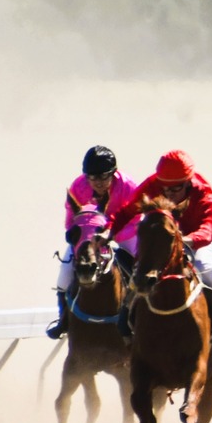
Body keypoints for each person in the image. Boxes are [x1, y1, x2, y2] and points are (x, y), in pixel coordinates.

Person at [101, 149, 212, 343]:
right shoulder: (154, 184)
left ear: (188, 183)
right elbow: (127, 211)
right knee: (143, 265)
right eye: (164, 188)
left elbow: (207, 230)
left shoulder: (205, 195)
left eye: (175, 189)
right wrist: (109, 231)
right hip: (163, 236)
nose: (168, 193)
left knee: (204, 265)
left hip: (196, 238)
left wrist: (186, 240)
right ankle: (126, 312)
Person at [46, 145, 137, 340]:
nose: (98, 183)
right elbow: (70, 221)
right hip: (89, 235)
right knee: (64, 275)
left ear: (114, 173)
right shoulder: (78, 187)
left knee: (142, 266)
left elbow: (136, 221)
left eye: (104, 177)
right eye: (93, 178)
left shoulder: (128, 186)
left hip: (124, 231)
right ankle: (63, 320)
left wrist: (111, 236)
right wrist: (76, 237)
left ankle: (143, 317)